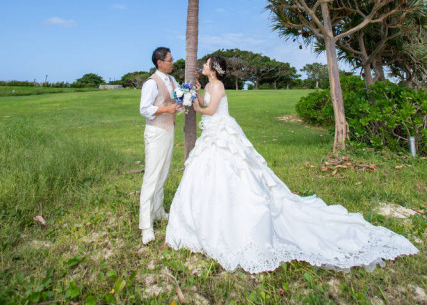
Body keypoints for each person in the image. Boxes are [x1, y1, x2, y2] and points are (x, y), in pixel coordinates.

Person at [165, 55, 418, 273]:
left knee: (235, 171)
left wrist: (195, 103)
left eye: (207, 64)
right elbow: (206, 103)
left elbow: (210, 111)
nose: (203, 65)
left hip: (221, 133)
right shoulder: (210, 85)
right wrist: (195, 92)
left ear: (215, 69)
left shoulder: (218, 87)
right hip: (213, 134)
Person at [139, 46, 180, 245]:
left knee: (163, 172)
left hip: (169, 129)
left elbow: (177, 99)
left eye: (172, 59)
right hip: (155, 132)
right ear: (159, 62)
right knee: (151, 176)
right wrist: (166, 108)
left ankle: (158, 211)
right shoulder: (151, 83)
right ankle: (146, 226)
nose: (173, 62)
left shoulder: (172, 81)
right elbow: (145, 109)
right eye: (170, 60)